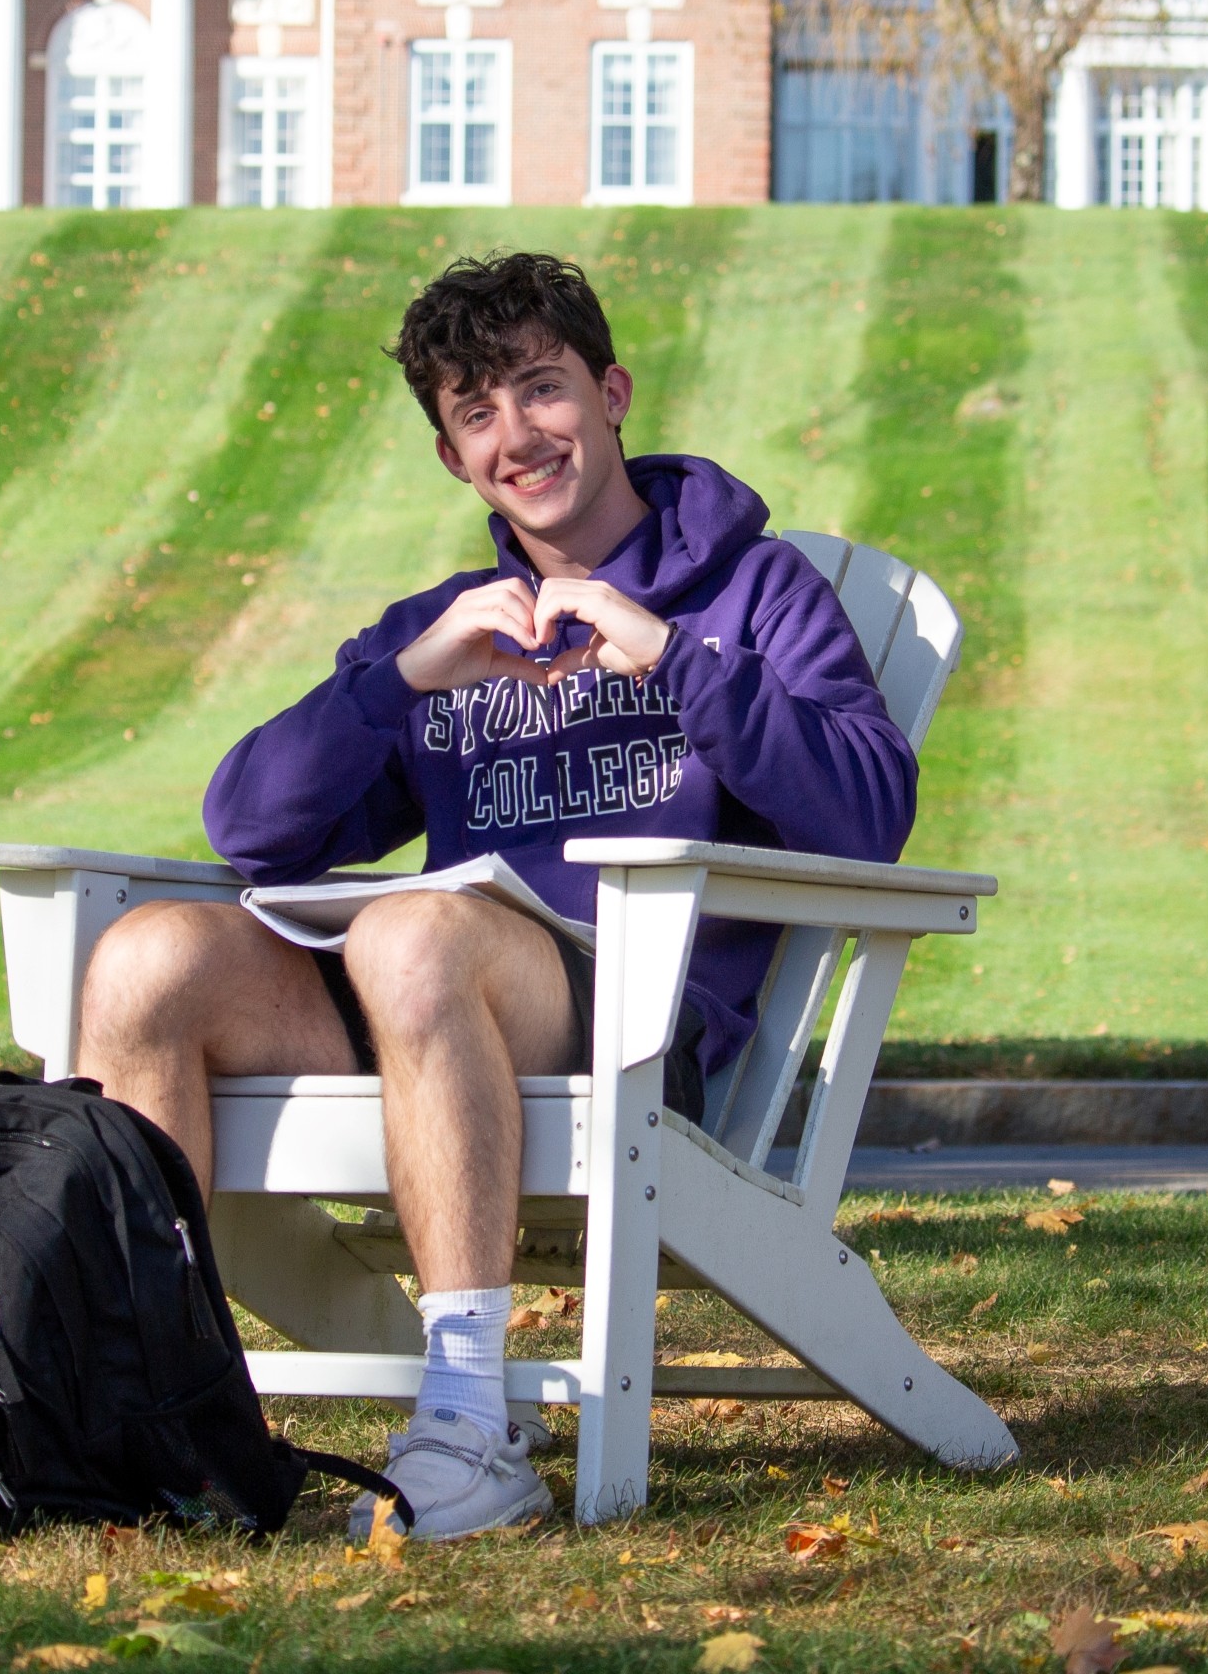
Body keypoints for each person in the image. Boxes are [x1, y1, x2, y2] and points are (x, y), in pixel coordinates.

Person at [71, 250, 916, 1538]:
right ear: (452, 457)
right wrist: (409, 674)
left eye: (543, 388)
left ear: (613, 391)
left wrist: (671, 659)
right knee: (143, 961)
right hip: (424, 1005)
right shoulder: (451, 627)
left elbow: (870, 810)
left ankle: (471, 1421)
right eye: (478, 413)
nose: (520, 434)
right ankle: (150, 1413)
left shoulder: (754, 595)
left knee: (412, 931)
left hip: (639, 1030)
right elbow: (247, 822)